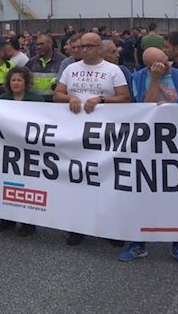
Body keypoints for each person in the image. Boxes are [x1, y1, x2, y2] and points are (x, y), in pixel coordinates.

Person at [118, 47, 178, 267]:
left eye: (165, 61)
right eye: (159, 64)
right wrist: (154, 79)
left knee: (177, 194)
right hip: (147, 145)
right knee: (142, 193)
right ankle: (138, 243)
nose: (166, 65)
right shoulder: (138, 77)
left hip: (175, 144)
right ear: (149, 66)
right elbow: (144, 106)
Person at [53, 33, 130, 245]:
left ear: (99, 48)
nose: (83, 50)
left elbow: (125, 98)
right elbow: (57, 94)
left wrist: (102, 99)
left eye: (88, 46)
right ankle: (77, 227)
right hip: (75, 133)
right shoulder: (71, 69)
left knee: (106, 180)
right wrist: (71, 97)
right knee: (77, 179)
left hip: (105, 136)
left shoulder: (113, 70)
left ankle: (110, 228)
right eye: (81, 46)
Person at [0, 66, 43, 237]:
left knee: (27, 185)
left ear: (26, 82)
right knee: (7, 183)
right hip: (7, 148)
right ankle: (7, 218)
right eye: (13, 80)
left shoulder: (36, 100)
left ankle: (29, 222)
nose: (15, 83)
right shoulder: (2, 98)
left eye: (19, 80)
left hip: (29, 149)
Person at [25, 32, 66, 102]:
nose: (38, 47)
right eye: (37, 44)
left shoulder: (63, 62)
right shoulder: (31, 62)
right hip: (35, 103)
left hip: (54, 104)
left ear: (50, 43)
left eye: (42, 44)